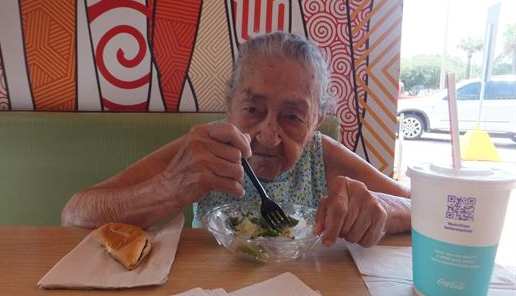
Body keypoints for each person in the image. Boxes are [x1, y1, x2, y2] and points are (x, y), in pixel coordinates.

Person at [62, 32, 411, 247]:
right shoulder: (206, 149)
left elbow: (424, 207)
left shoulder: (322, 156)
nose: (269, 135)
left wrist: (381, 209)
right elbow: (75, 213)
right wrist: (170, 189)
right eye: (252, 109)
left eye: (292, 117)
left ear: (316, 121)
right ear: (228, 107)